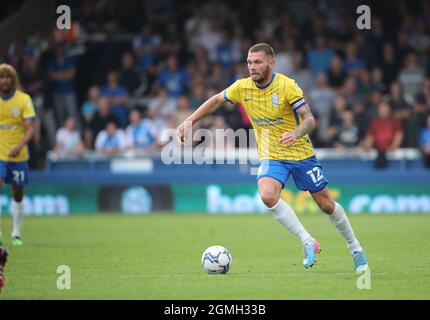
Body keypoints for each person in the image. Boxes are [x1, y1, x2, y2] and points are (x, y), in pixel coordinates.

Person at [177, 43, 368, 273]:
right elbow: (217, 99)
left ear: (271, 63)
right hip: (271, 154)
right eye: (249, 62)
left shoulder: (287, 86)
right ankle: (308, 240)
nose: (252, 67)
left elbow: (309, 120)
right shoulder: (242, 87)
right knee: (268, 196)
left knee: (326, 204)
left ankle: (355, 248)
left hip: (300, 153)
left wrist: (296, 133)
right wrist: (190, 121)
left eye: (257, 62)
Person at [0, 63, 36, 246]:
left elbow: (30, 129)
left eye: (7, 77)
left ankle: (16, 232)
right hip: (0, 152)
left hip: (18, 153)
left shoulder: (24, 100)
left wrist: (18, 146)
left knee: (18, 193)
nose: (4, 80)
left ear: (13, 80)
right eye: (1, 77)